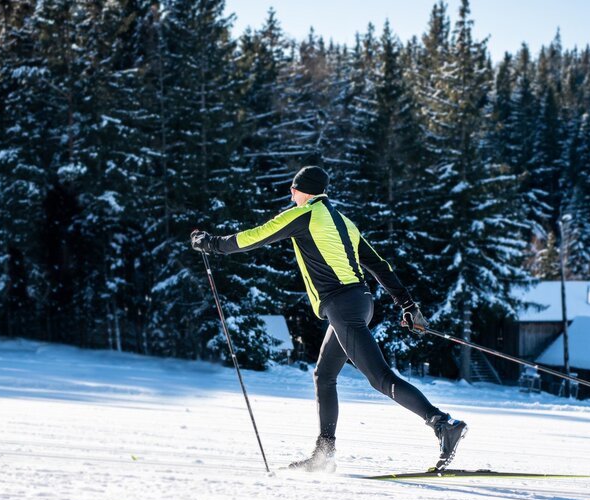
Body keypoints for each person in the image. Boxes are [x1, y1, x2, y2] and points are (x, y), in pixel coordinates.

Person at [190, 165, 467, 472]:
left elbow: (255, 237)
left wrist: (211, 243)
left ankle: (443, 424)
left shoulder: (304, 215)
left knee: (380, 378)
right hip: (359, 303)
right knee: (324, 375)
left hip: (342, 306)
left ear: (304, 190)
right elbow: (379, 265)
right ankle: (324, 454)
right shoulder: (344, 222)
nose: (291, 194)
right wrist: (407, 304)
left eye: (293, 189)